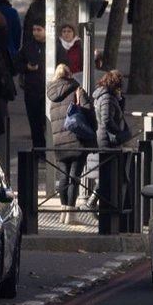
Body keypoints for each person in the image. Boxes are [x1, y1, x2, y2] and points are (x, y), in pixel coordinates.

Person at [91, 70, 131, 225]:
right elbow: (107, 120)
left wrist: (120, 99)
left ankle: (101, 203)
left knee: (110, 173)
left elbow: (117, 112)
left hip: (106, 139)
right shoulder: (106, 98)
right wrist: (119, 132)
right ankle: (94, 201)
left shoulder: (108, 96)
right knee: (109, 173)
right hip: (107, 141)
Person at [46, 64, 88, 207]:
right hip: (76, 138)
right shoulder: (77, 89)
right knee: (74, 177)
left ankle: (63, 211)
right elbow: (88, 110)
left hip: (59, 142)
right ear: (70, 74)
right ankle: (71, 212)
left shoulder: (53, 96)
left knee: (63, 176)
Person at [17, 23, 50, 152]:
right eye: (34, 29)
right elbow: (17, 63)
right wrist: (26, 67)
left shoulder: (54, 45)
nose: (36, 32)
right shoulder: (28, 46)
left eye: (39, 29)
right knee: (35, 124)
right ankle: (39, 151)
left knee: (46, 122)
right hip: (32, 91)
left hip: (48, 90)